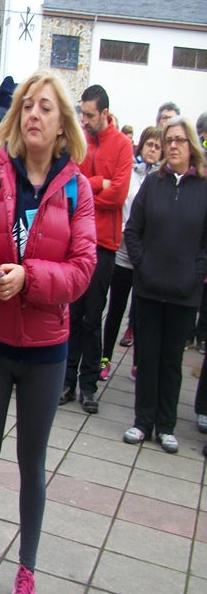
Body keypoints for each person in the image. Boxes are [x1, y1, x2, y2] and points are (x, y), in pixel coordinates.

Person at [0, 69, 96, 594]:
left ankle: (26, 569)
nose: (33, 114)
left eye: (46, 108)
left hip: (45, 351)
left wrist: (28, 278)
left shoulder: (76, 188)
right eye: (27, 106)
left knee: (31, 464)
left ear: (62, 126)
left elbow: (82, 271)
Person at [123, 117, 207, 453]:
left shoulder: (202, 187)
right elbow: (133, 230)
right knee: (149, 357)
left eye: (179, 140)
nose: (172, 146)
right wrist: (142, 266)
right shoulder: (152, 184)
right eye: (168, 140)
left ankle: (166, 425)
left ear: (191, 147)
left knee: (172, 360)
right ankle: (143, 421)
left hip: (185, 293)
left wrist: (195, 272)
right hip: (149, 288)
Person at [60, 85, 132, 414]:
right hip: (77, 238)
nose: (84, 120)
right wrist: (97, 182)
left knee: (92, 317)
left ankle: (89, 384)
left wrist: (93, 186)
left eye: (90, 115)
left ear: (105, 113)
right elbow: (74, 186)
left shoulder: (123, 145)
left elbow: (118, 195)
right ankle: (67, 380)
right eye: (83, 114)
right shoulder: (83, 142)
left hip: (105, 244)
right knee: (73, 314)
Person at [100, 127, 162, 380]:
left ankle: (139, 362)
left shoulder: (160, 179)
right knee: (115, 307)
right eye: (149, 144)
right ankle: (105, 358)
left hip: (147, 258)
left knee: (142, 313)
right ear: (141, 145)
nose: (152, 150)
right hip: (122, 252)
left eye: (158, 146)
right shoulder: (132, 175)